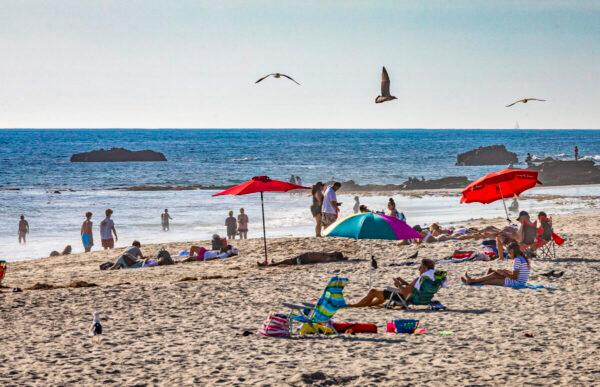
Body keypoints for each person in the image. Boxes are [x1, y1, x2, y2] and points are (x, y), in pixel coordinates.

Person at [348, 259, 444, 307]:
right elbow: (414, 288)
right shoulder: (431, 278)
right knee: (378, 293)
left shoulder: (420, 279)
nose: (419, 268)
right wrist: (404, 282)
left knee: (374, 292)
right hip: (421, 299)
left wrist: (398, 284)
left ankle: (357, 305)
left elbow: (405, 293)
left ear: (426, 268)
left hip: (405, 299)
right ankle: (367, 304)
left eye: (421, 267)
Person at [461, 242, 531, 287]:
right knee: (493, 273)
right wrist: (506, 271)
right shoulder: (521, 258)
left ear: (512, 251)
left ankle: (472, 281)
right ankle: (472, 280)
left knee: (488, 281)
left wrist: (503, 273)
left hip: (516, 283)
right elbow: (517, 274)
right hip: (519, 281)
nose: (509, 255)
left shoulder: (517, 260)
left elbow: (514, 277)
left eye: (509, 253)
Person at [259, 251, 347, 266]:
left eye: (336, 252)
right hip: (304, 257)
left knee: (288, 261)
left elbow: (335, 260)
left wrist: (341, 259)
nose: (334, 251)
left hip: (303, 260)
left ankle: (270, 265)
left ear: (335, 256)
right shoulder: (328, 255)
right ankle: (274, 263)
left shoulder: (328, 258)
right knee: (287, 261)